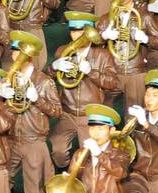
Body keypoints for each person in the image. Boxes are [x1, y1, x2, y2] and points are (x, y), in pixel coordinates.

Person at [3, 31, 60, 193]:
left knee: (34, 187)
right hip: (11, 138)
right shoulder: (8, 77)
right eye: (14, 51)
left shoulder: (44, 82)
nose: (15, 55)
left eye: (19, 52)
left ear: (29, 56)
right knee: (4, 179)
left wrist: (38, 100)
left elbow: (56, 110)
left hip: (34, 139)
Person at [50, 10, 120, 167]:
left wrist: (91, 72)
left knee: (89, 157)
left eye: (82, 31)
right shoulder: (62, 51)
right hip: (67, 113)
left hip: (90, 115)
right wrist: (54, 67)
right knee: (58, 149)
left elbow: (112, 83)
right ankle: (66, 174)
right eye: (73, 31)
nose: (77, 36)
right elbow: (46, 80)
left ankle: (83, 181)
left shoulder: (102, 55)